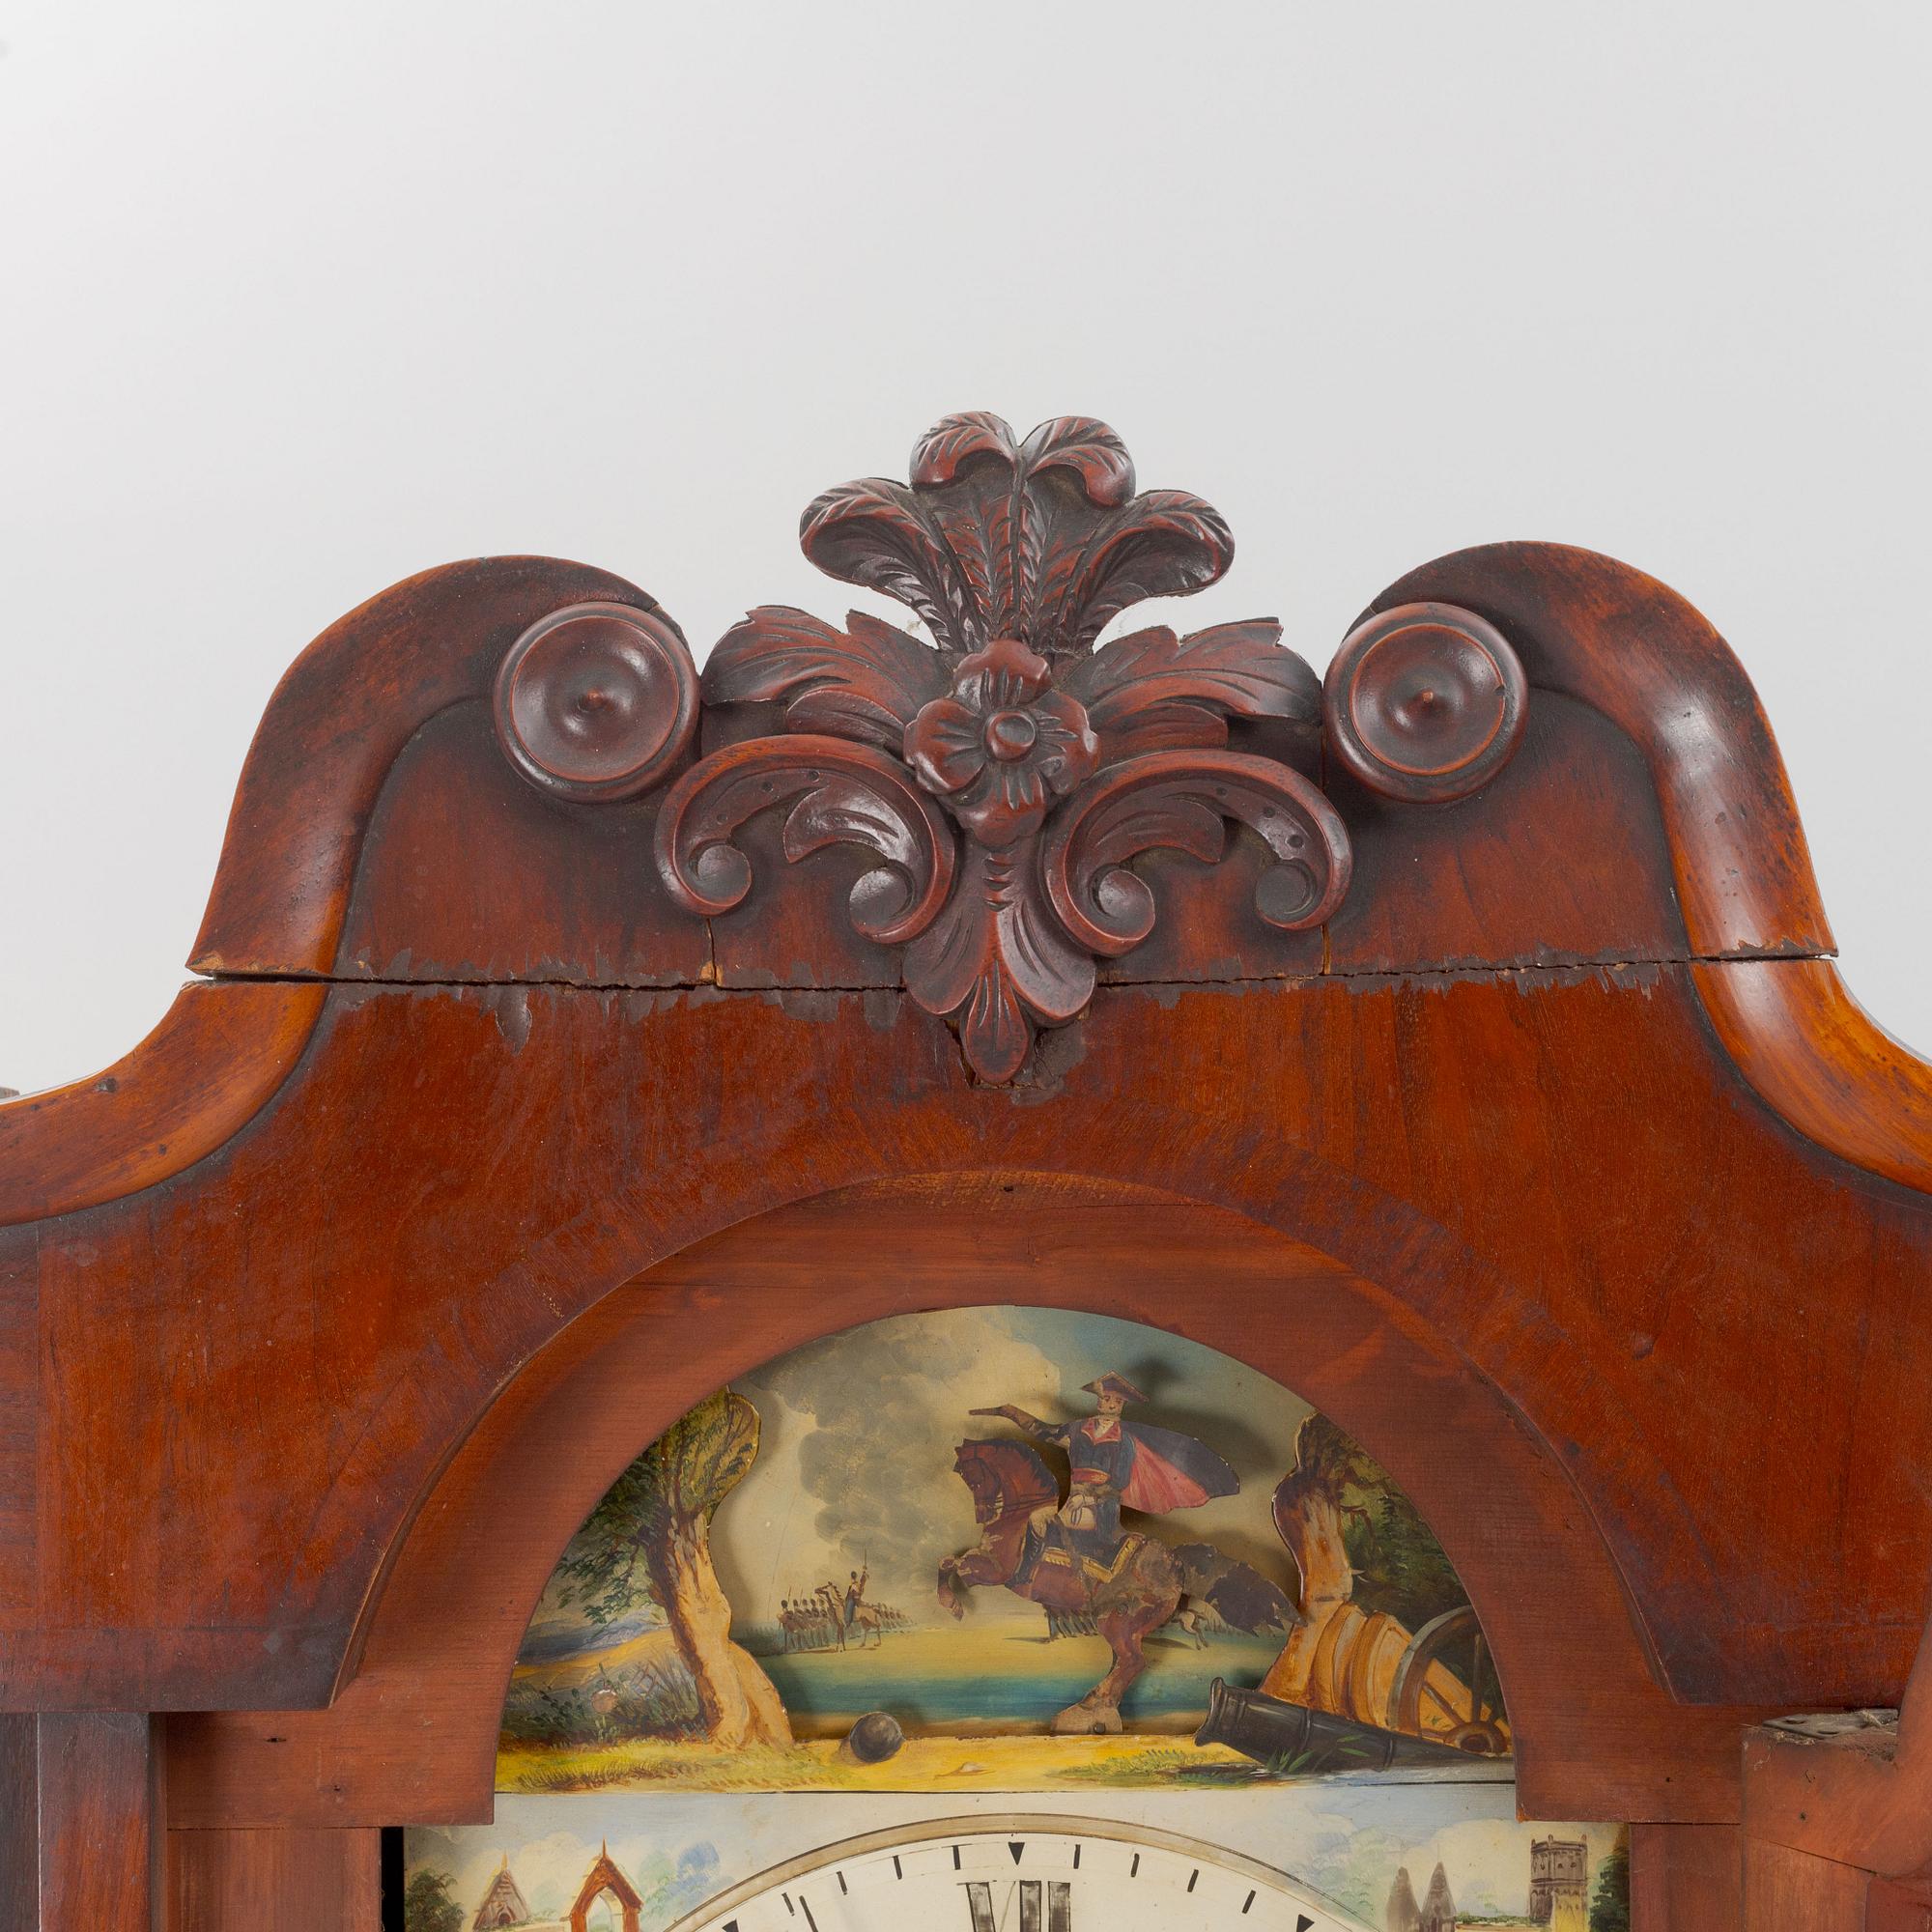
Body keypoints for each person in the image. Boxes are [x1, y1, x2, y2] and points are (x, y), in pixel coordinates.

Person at [972, 1373, 1238, 1565]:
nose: (1111, 1404)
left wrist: (1089, 1498)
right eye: (1107, 1398)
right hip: (1071, 1502)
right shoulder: (1076, 1429)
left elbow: (1120, 1483)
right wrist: (1010, 1412)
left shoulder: (1124, 1439)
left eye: (1117, 1401)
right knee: (1035, 1525)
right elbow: (1044, 1431)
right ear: (1098, 1400)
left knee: (1082, 1543)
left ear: (1122, 1405)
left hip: (1101, 1507)